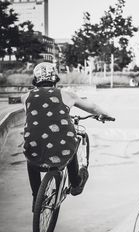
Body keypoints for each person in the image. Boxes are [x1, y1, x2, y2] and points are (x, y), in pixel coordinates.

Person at [21, 62, 114, 211]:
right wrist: (106, 115)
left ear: (35, 79)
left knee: (31, 153)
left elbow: (38, 117)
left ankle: (36, 198)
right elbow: (93, 107)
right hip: (61, 150)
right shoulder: (67, 95)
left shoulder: (25, 97)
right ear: (55, 78)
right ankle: (75, 182)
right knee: (71, 142)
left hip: (34, 150)